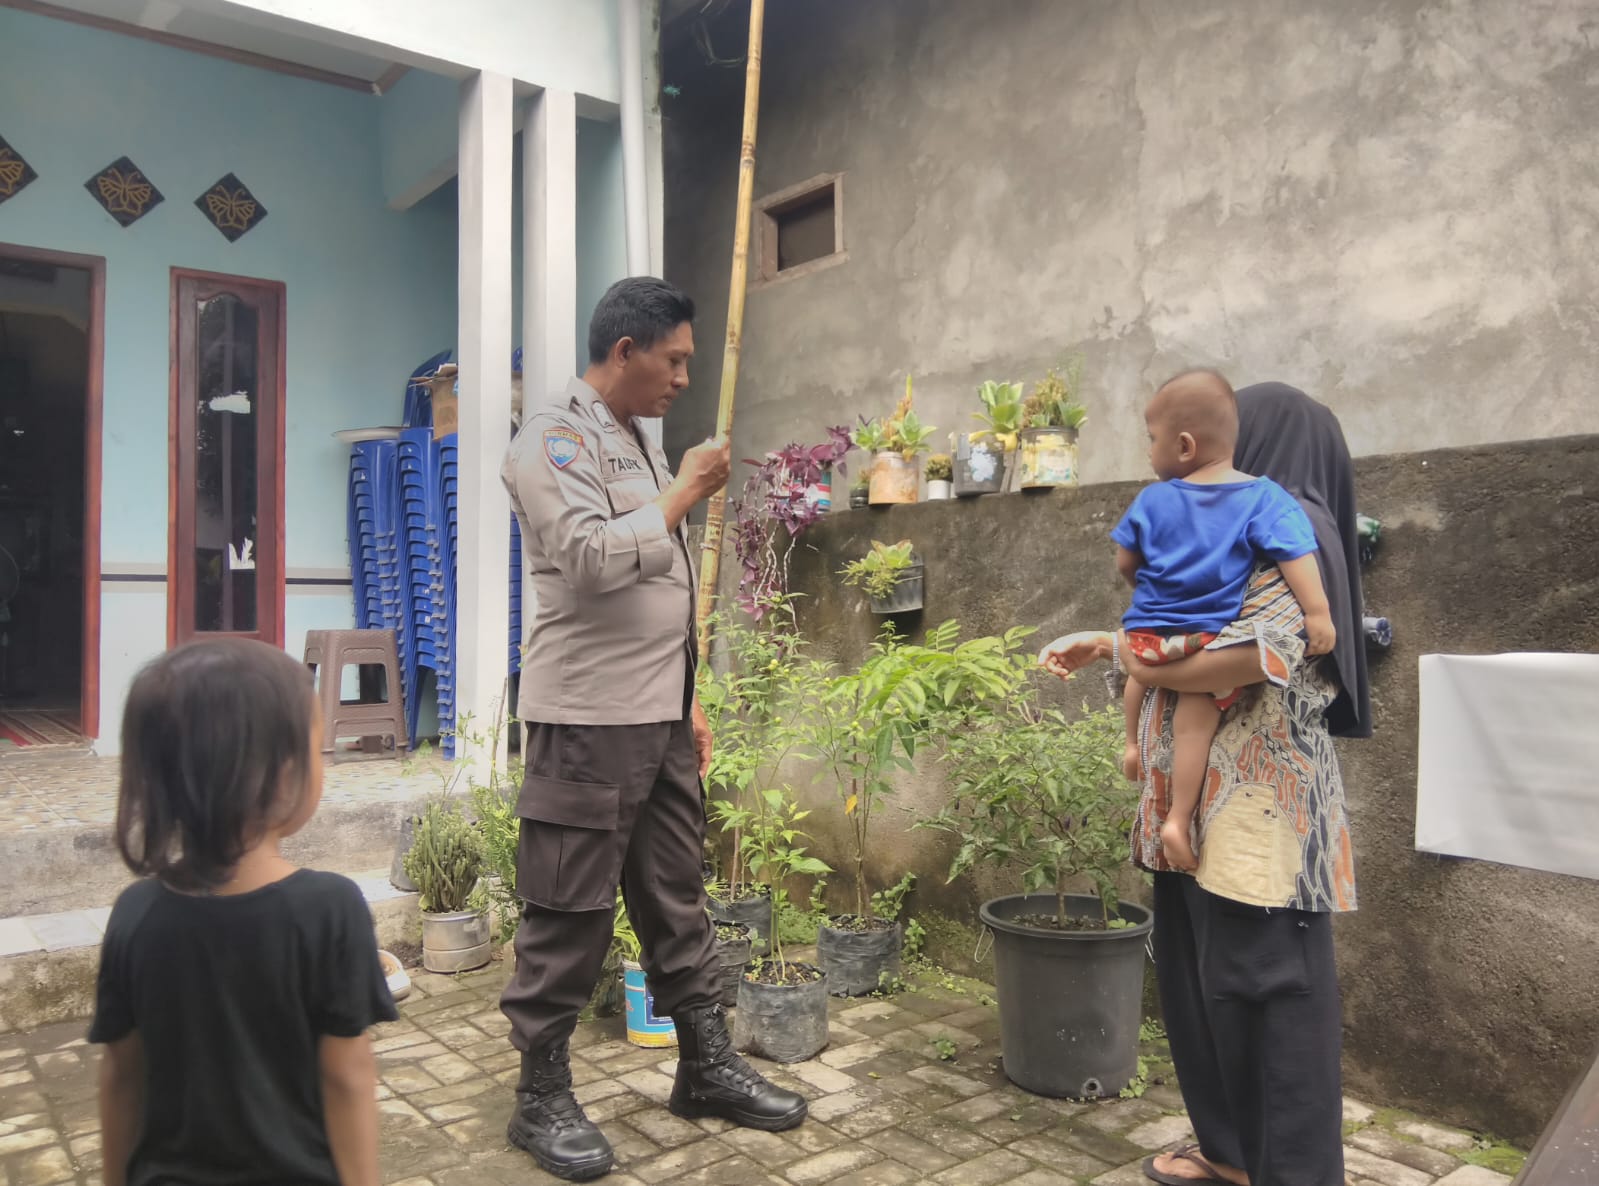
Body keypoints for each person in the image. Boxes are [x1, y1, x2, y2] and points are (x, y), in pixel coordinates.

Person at [500, 276, 807, 1181]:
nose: (682, 378)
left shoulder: (637, 440)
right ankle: (540, 1095)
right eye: (672, 360)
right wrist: (682, 495)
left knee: (675, 892)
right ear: (624, 351)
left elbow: (659, 594)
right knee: (569, 907)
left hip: (659, 712)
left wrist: (691, 699)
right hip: (588, 717)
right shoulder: (550, 437)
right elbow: (592, 562)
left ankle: (704, 1067)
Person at [1041, 381, 1370, 1186]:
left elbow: (1262, 653)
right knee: (1205, 990)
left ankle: (1290, 1172)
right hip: (1196, 811)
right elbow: (1184, 628)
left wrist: (1126, 655)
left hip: (1261, 814)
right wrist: (1113, 641)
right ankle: (1228, 1152)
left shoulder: (1299, 527)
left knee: (1269, 995)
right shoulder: (1232, 520)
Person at [93, 638, 395, 1186]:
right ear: (281, 774)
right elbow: (346, 1077)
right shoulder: (330, 909)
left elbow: (121, 1076)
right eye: (316, 747)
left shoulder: (136, 915)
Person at [1109, 370, 1334, 870]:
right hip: (1204, 637)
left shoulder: (1151, 499)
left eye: (1151, 440)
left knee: (1136, 675)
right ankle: (1178, 817)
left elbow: (1126, 562)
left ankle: (1129, 746)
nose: (1148, 451)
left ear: (1184, 446)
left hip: (1146, 633)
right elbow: (1297, 554)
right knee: (1195, 722)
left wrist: (1144, 594)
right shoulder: (1266, 498)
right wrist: (1318, 613)